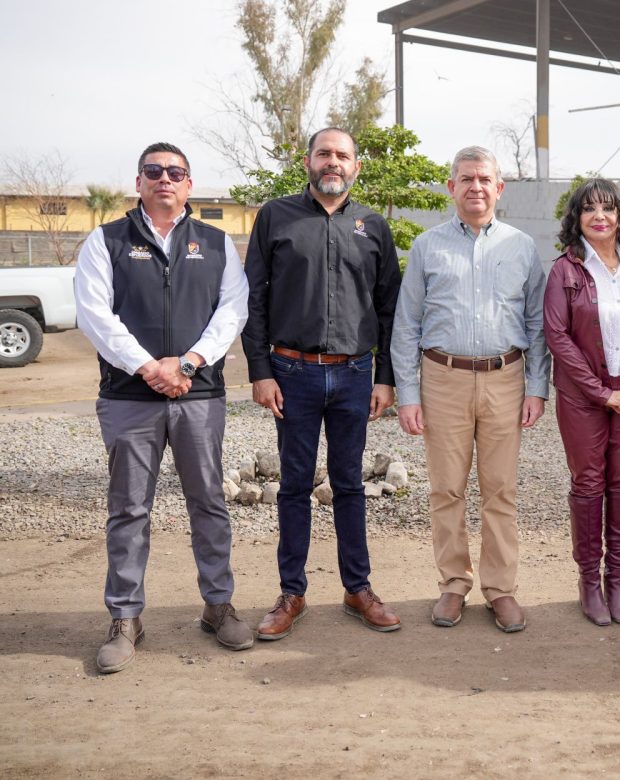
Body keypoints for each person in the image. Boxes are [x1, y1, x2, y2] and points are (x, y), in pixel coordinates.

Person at [75, 142, 252, 673]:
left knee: (210, 505)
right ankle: (126, 619)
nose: (165, 180)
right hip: (130, 398)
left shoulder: (217, 244)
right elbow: (94, 315)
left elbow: (232, 310)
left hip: (199, 396)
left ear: (189, 185)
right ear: (139, 181)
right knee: (128, 510)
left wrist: (190, 363)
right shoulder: (105, 241)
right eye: (154, 171)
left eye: (176, 172)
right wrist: (150, 367)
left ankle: (217, 606)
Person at [242, 127, 403, 639]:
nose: (332, 162)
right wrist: (260, 370)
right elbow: (254, 300)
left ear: (356, 166)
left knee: (349, 483)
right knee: (293, 485)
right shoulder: (276, 216)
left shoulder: (373, 225)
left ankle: (358, 588)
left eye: (342, 155)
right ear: (307, 162)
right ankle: (292, 593)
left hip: (356, 374)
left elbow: (389, 308)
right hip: (292, 373)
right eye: (324, 154)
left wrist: (385, 378)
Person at [392, 146, 549, 633]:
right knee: (446, 488)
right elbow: (407, 323)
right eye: (466, 179)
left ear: (499, 188)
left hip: (506, 377)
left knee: (501, 490)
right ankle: (453, 585)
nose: (475, 187)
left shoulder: (522, 247)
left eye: (484, 179)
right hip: (443, 379)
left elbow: (538, 324)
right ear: (451, 187)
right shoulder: (427, 247)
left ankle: (501, 590)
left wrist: (537, 387)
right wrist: (408, 393)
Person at [543, 178, 620, 626]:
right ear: (577, 218)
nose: (599, 216)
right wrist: (602, 392)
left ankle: (618, 581)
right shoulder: (566, 271)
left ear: (619, 217)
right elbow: (557, 336)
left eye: (608, 208)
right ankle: (589, 583)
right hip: (584, 396)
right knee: (589, 483)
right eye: (589, 208)